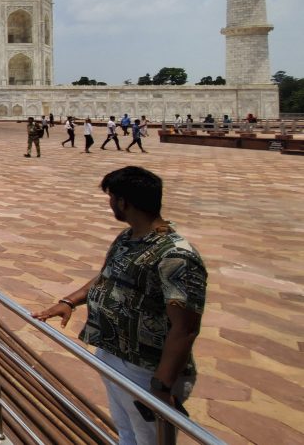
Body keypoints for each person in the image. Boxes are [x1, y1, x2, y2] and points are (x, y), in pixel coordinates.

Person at [33, 166, 206, 445]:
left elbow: (185, 328)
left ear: (123, 201)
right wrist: (70, 301)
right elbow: (109, 275)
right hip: (113, 351)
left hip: (145, 367)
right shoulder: (128, 238)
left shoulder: (175, 255)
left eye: (111, 197)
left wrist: (162, 385)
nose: (110, 203)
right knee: (126, 430)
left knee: (151, 438)